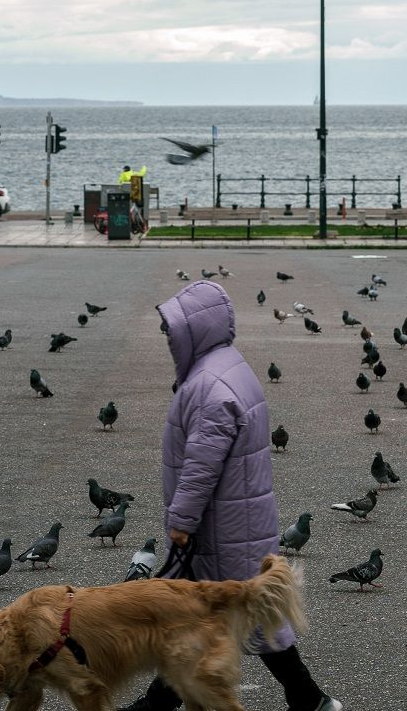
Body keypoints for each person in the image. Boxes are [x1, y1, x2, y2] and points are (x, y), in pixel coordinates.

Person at [120, 281, 341, 711]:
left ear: (194, 330)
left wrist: (182, 520)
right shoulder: (227, 367)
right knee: (227, 618)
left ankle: (310, 700)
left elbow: (203, 463)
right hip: (236, 520)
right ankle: (309, 700)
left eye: (173, 329)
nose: (168, 336)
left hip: (219, 527)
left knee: (214, 617)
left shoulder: (209, 385)